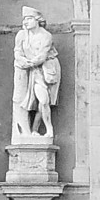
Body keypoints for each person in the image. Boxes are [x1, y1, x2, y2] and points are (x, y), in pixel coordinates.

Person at [10, 8, 62, 138]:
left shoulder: (46, 36)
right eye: (24, 19)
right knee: (37, 100)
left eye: (29, 18)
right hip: (31, 70)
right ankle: (33, 131)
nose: (25, 22)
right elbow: (17, 51)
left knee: (44, 100)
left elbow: (42, 55)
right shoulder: (22, 35)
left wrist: (30, 63)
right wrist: (22, 60)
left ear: (37, 20)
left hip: (46, 69)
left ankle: (47, 130)